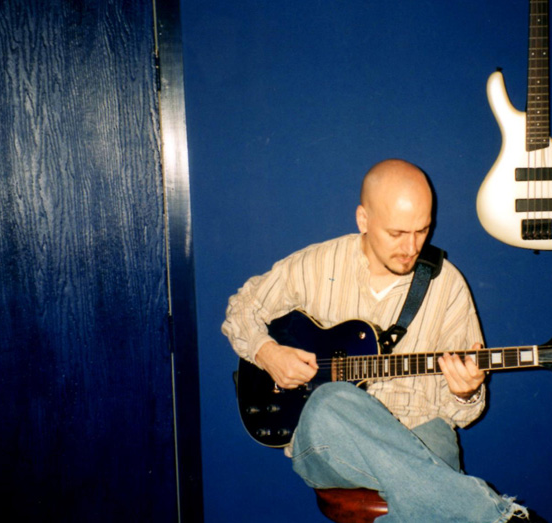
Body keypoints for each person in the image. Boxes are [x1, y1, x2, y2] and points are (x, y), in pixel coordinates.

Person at [222, 159, 532, 522]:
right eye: (397, 233)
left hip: (421, 432)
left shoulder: (446, 284)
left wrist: (466, 392)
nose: (412, 246)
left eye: (422, 230)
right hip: (330, 437)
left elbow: (462, 414)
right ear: (363, 220)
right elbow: (241, 308)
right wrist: (267, 352)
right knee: (332, 399)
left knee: (422, 499)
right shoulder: (316, 265)